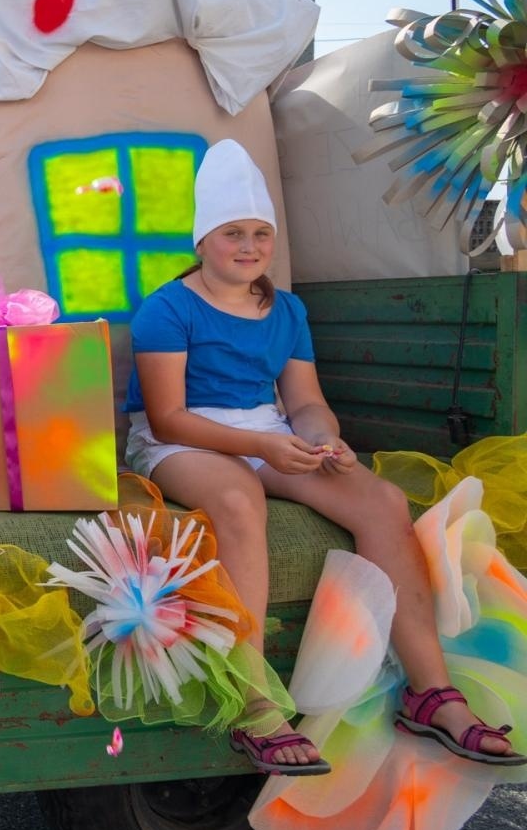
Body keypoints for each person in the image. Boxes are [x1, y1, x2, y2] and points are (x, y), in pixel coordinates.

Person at [124, 139, 524, 775]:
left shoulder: (286, 309)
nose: (249, 246)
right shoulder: (166, 309)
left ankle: (431, 691)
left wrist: (321, 437)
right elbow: (170, 415)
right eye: (233, 233)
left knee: (383, 499)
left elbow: (304, 401)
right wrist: (263, 447)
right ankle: (253, 699)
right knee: (236, 495)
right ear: (202, 240)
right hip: (181, 440)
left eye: (261, 233)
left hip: (267, 430)